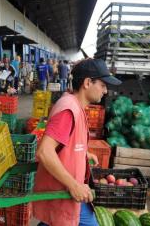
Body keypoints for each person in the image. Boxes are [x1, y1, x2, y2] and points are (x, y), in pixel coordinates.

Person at [33, 59, 122, 226]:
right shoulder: (68, 110)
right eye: (103, 85)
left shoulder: (76, 105)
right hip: (62, 191)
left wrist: (83, 153)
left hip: (64, 191)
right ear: (88, 83)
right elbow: (44, 151)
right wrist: (74, 185)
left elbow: (65, 142)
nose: (105, 91)